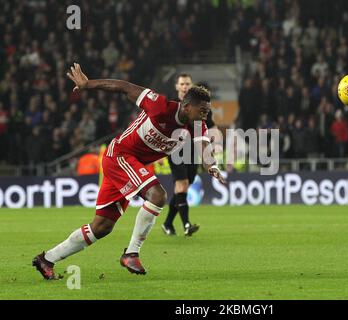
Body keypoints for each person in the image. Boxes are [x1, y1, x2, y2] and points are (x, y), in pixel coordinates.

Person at [32, 63, 226, 280]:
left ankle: (46, 259)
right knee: (158, 195)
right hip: (120, 156)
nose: (205, 115)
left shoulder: (196, 124)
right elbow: (123, 86)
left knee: (102, 226)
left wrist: (213, 166)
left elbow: (203, 147)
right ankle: (131, 253)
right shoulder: (159, 105)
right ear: (188, 106)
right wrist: (88, 84)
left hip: (132, 165)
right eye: (203, 110)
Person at [162, 74, 214, 236]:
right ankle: (186, 225)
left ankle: (168, 223)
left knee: (183, 189)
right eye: (182, 84)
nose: (184, 87)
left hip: (193, 151)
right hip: (175, 151)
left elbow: (209, 126)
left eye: (187, 84)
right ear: (177, 87)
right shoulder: (171, 105)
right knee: (182, 185)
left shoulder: (199, 105)